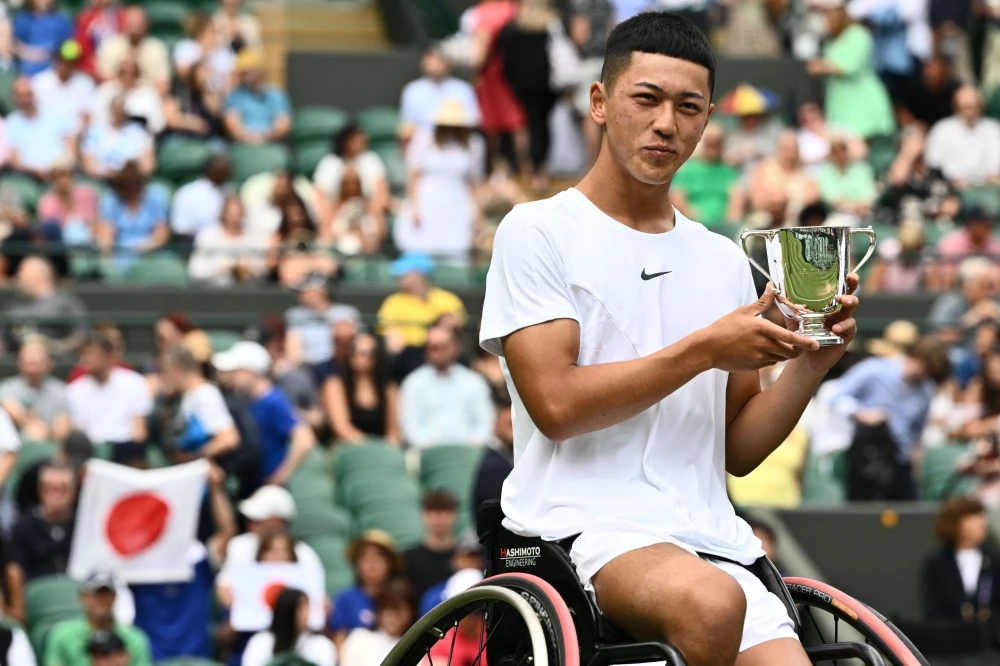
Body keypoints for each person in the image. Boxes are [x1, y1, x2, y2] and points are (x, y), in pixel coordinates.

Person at [479, 12, 864, 666]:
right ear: (600, 102)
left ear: (708, 116)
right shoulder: (536, 231)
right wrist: (705, 350)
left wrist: (811, 365)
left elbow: (736, 449)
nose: (667, 123)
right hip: (577, 532)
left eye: (689, 107)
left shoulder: (720, 258)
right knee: (711, 603)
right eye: (646, 99)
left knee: (730, 607)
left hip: (713, 541)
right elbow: (558, 407)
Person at [130, 463, 237, 661]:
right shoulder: (135, 558)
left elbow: (227, 534)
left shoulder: (197, 555)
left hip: (197, 660)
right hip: (153, 660)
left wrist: (216, 489)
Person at [832, 336, 952, 500]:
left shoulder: (926, 391)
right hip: (868, 456)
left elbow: (917, 433)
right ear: (915, 358)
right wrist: (862, 414)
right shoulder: (875, 370)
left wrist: (917, 464)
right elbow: (836, 396)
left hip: (901, 462)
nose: (925, 375)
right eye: (925, 368)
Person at [211, 341, 316, 485]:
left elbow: (304, 440)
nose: (231, 377)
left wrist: (277, 479)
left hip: (266, 492)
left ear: (250, 371)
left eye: (236, 371)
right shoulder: (244, 401)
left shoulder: (273, 401)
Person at [394, 100, 485, 262]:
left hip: (457, 202)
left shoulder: (474, 144)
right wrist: (414, 207)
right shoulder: (423, 139)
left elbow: (474, 183)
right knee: (420, 250)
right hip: (427, 200)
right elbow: (413, 175)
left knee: (456, 252)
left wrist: (477, 212)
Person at [494, 0, 561, 191]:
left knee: (530, 126)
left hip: (524, 87)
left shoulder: (512, 30)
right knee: (542, 126)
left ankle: (531, 170)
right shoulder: (551, 26)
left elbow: (503, 58)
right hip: (548, 86)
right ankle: (542, 170)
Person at [807, 1, 895, 140]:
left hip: (861, 103)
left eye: (830, 14)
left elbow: (849, 66)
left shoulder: (858, 34)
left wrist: (823, 66)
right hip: (839, 102)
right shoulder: (831, 41)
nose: (827, 19)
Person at [399, 324, 495, 448]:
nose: (437, 352)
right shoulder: (413, 383)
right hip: (426, 455)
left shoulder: (474, 382)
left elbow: (484, 425)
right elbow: (411, 429)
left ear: (455, 347)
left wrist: (468, 447)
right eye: (432, 347)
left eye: (442, 347)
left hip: (470, 454)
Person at [66, 332, 153, 466]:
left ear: (109, 356)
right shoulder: (75, 390)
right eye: (84, 354)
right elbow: (79, 432)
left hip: (127, 450)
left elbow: (139, 431)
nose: (88, 359)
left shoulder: (135, 382)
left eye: (93, 354)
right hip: (92, 453)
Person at [466, 0, 528, 174]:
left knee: (492, 126)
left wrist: (474, 70)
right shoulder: (516, 9)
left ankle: (494, 168)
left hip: (493, 76)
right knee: (519, 123)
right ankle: (526, 168)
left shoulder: (484, 12)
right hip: (517, 74)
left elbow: (479, 53)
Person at [44, 573, 152, 666]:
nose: (101, 599)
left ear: (115, 597)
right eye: (95, 594)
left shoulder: (135, 638)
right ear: (83, 597)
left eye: (106, 594)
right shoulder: (61, 634)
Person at [376, 252, 467, 360]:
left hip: (443, 353)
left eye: (405, 273)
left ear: (419, 275)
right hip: (408, 356)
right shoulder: (393, 302)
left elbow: (458, 327)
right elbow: (391, 339)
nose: (399, 277)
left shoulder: (448, 300)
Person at [922, 498, 1000, 622]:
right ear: (956, 523)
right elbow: (932, 609)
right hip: (950, 636)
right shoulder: (936, 563)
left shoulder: (994, 560)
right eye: (974, 517)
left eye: (982, 517)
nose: (982, 523)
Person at [160, 344, 240, 462]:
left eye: (165, 371)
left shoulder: (205, 394)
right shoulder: (188, 395)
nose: (163, 377)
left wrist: (196, 459)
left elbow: (228, 439)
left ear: (177, 369)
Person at [312, 122, 388, 241]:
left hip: (366, 214)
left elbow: (381, 193)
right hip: (337, 216)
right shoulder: (329, 163)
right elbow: (320, 197)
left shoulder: (371, 160)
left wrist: (377, 218)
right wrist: (328, 225)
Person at [283, 272, 361, 385]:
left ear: (320, 291)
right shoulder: (295, 314)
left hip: (340, 366)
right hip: (308, 369)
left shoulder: (346, 312)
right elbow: (292, 350)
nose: (299, 295)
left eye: (304, 291)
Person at [1, 256, 87, 357]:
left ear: (37, 275)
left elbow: (82, 336)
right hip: (18, 364)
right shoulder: (15, 307)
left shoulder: (66, 304)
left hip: (56, 363)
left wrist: (54, 346)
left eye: (21, 272)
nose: (17, 277)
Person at [328, 530, 401, 648]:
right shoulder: (345, 598)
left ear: (390, 563)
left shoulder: (401, 597)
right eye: (364, 557)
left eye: (379, 557)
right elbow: (340, 641)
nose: (371, 563)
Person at [322, 332, 399, 443]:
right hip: (348, 450)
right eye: (353, 351)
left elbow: (394, 432)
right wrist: (369, 447)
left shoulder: (389, 389)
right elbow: (341, 428)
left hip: (382, 450)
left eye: (364, 353)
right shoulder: (335, 385)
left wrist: (385, 450)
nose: (357, 356)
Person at [97, 162, 170, 271]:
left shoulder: (156, 196)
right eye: (125, 184)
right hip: (121, 254)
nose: (131, 187)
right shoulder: (111, 200)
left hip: (151, 252)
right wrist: (107, 260)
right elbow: (106, 236)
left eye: (135, 183)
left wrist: (144, 247)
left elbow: (161, 234)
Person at [10, 464, 76, 584]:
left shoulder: (82, 526)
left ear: (73, 492)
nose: (57, 496)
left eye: (63, 489)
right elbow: (15, 572)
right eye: (50, 489)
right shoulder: (22, 527)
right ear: (40, 490)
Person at [925, 85, 1000, 189]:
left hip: (987, 186)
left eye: (974, 106)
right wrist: (953, 180)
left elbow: (995, 164)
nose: (971, 111)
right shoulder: (942, 129)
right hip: (950, 187)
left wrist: (985, 179)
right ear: (956, 107)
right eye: (966, 107)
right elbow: (934, 163)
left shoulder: (993, 129)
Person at [669, 123, 740, 230]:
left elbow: (736, 200)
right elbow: (678, 199)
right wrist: (697, 220)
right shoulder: (687, 169)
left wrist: (730, 223)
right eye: (710, 141)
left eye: (717, 142)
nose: (713, 145)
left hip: (724, 226)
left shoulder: (728, 171)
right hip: (692, 225)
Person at [0, 336, 70, 441]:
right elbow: (12, 410)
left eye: (37, 363)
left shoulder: (60, 390)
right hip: (14, 448)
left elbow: (62, 431)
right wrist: (31, 424)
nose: (32, 369)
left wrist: (43, 431)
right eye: (29, 363)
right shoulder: (7, 387)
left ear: (49, 363)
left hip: (49, 447)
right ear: (20, 363)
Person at [188, 195, 270, 286]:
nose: (235, 219)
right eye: (231, 214)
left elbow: (264, 269)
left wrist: (249, 268)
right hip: (213, 292)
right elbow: (196, 271)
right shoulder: (207, 237)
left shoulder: (254, 238)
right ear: (224, 214)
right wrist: (223, 268)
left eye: (239, 214)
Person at [241, 588, 335, 666]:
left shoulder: (321, 644)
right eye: (300, 608)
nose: (305, 614)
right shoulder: (260, 642)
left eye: (307, 606)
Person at [6, 76, 75, 181]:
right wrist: (34, 170)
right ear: (15, 98)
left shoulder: (55, 114)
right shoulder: (11, 123)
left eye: (29, 94)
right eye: (21, 96)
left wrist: (61, 167)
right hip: (29, 177)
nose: (26, 99)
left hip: (62, 174)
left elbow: (70, 148)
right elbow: (15, 160)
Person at [746, 130, 819, 227]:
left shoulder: (806, 174)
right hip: (764, 222)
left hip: (796, 224)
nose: (790, 154)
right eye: (786, 150)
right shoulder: (764, 169)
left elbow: (812, 202)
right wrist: (776, 203)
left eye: (793, 150)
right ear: (778, 150)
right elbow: (756, 200)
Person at [400, 44, 479, 131]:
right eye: (429, 59)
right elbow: (408, 124)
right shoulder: (412, 90)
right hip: (424, 140)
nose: (434, 63)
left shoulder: (464, 89)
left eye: (438, 59)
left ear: (449, 62)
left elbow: (474, 118)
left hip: (457, 138)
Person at [340, 580, 415, 666]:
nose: (391, 615)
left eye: (397, 609)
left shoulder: (417, 649)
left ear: (411, 612)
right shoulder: (359, 639)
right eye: (386, 608)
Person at [928, 257, 1000, 347]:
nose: (989, 291)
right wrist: (971, 319)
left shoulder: (995, 302)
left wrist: (997, 318)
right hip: (956, 352)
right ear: (967, 285)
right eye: (983, 285)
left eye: (990, 286)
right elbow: (942, 337)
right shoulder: (950, 302)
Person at [95, 6, 170, 91]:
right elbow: (103, 78)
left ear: (146, 25)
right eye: (132, 23)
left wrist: (138, 91)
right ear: (124, 23)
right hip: (117, 95)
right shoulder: (110, 46)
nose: (134, 29)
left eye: (138, 24)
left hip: (147, 96)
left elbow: (163, 84)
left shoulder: (157, 49)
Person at [224, 49, 290, 144]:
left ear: (260, 71)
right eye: (243, 73)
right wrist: (252, 138)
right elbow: (233, 127)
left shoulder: (276, 94)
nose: (246, 76)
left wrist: (263, 137)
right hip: (243, 144)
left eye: (249, 71)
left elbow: (282, 125)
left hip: (271, 143)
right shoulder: (235, 96)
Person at [81, 95, 155, 179]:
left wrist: (128, 174)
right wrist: (110, 174)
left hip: (133, 181)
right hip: (103, 180)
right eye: (116, 109)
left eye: (121, 109)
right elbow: (89, 164)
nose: (118, 113)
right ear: (110, 110)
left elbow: (148, 165)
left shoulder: (139, 132)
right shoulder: (95, 132)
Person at [32, 39, 95, 137]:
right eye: (64, 60)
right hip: (46, 136)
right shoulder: (40, 83)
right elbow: (35, 115)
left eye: (72, 62)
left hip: (76, 138)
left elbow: (87, 115)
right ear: (57, 60)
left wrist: (76, 135)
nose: (67, 65)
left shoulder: (85, 83)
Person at [402, 490, 458, 600]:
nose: (438, 519)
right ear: (423, 516)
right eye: (432, 512)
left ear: (455, 515)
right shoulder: (408, 559)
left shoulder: (468, 558)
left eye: (445, 512)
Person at [90, 55, 164, 135]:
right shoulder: (105, 91)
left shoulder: (149, 94)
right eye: (123, 72)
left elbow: (157, 125)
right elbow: (96, 120)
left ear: (138, 74)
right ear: (118, 73)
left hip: (139, 139)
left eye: (132, 73)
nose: (127, 77)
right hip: (108, 138)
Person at [472, 395, 514, 533]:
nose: (514, 431)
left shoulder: (502, 459)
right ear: (495, 425)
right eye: (509, 424)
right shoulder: (494, 467)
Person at [170, 154, 233, 242]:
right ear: (209, 168)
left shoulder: (230, 192)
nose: (223, 171)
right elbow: (180, 228)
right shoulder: (188, 193)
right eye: (219, 167)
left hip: (227, 244)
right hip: (194, 245)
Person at [37, 163, 100, 248]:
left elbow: (94, 223)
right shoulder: (47, 203)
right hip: (62, 246)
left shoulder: (86, 195)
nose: (64, 180)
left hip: (89, 243)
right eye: (59, 177)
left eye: (67, 176)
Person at [814, 133, 877, 217]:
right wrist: (850, 207)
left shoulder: (862, 168)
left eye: (842, 149)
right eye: (835, 150)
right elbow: (829, 196)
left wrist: (861, 205)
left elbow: (870, 192)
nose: (839, 154)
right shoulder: (825, 171)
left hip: (865, 213)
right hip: (838, 215)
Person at [172, 13, 234, 94]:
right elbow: (182, 73)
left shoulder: (224, 53)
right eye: (211, 32)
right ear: (200, 33)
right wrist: (202, 58)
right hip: (192, 92)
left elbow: (232, 78)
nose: (214, 36)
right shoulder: (186, 48)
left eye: (216, 32)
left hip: (219, 94)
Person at [13, 0, 73, 76]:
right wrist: (33, 54)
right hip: (26, 71)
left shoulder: (61, 20)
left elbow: (67, 47)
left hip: (54, 72)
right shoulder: (23, 19)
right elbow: (15, 45)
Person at [900, 54, 961, 129]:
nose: (929, 73)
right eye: (927, 68)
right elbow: (901, 109)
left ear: (945, 71)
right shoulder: (914, 88)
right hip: (921, 131)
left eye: (934, 69)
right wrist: (914, 123)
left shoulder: (956, 91)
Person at [73, 0, 122, 79]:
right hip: (93, 70)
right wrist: (95, 71)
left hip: (118, 66)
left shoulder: (121, 17)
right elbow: (82, 49)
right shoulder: (85, 18)